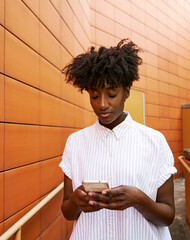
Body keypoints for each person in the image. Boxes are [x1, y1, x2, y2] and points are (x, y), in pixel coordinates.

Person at [59, 39, 177, 239]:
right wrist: (76, 202)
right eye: (94, 96)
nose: (102, 104)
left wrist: (139, 200)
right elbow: (67, 212)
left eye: (111, 94)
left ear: (126, 92)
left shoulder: (154, 141)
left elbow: (168, 216)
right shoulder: (75, 142)